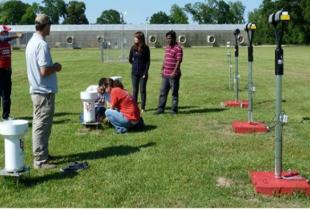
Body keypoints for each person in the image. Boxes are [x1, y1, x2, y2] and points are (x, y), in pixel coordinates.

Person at [25, 14, 62, 169]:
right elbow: (44, 70)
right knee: (41, 125)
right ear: (46, 25)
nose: (50, 27)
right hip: (43, 92)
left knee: (40, 124)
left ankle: (43, 153)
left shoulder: (32, 42)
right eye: (50, 25)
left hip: (37, 90)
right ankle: (40, 160)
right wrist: (56, 67)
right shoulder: (41, 45)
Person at [155, 30, 183, 115]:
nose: (168, 40)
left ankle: (174, 110)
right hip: (165, 74)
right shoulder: (167, 47)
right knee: (162, 92)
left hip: (173, 75)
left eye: (170, 38)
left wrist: (174, 72)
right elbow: (166, 58)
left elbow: (179, 61)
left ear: (174, 38)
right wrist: (162, 68)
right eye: (167, 38)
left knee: (174, 93)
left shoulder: (178, 48)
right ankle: (160, 109)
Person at [0, 25, 24, 120]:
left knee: (6, 94)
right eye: (6, 31)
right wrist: (16, 36)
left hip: (7, 71)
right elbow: (3, 38)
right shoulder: (2, 39)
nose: (8, 33)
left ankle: (6, 116)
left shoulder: (6, 42)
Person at [129, 31, 150, 113]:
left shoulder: (146, 48)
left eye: (136, 37)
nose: (134, 39)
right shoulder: (133, 48)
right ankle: (134, 107)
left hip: (143, 74)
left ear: (140, 39)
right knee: (135, 90)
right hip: (134, 73)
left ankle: (143, 108)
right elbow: (130, 59)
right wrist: (134, 65)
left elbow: (148, 61)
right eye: (134, 37)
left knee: (142, 90)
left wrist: (145, 73)